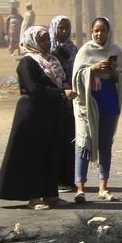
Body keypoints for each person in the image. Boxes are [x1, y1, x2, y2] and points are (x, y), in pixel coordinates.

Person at [0, 26, 78, 209]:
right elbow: (33, 89)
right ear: (32, 42)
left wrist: (64, 86)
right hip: (33, 114)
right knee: (34, 155)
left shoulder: (52, 61)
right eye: (42, 40)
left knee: (52, 153)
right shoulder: (28, 62)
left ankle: (50, 194)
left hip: (53, 114)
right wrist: (61, 94)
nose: (47, 43)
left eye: (48, 39)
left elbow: (57, 82)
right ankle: (33, 197)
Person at [72, 16, 122, 203]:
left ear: (108, 32)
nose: (99, 34)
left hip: (109, 103)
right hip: (88, 105)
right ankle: (80, 188)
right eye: (96, 30)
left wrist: (113, 70)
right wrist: (93, 68)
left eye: (103, 30)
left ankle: (103, 188)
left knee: (105, 146)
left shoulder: (115, 50)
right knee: (84, 143)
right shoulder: (85, 51)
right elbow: (76, 76)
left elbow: (121, 78)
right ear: (92, 32)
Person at [49, 15, 78, 192]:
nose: (64, 31)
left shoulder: (74, 49)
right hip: (54, 100)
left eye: (67, 27)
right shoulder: (48, 50)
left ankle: (68, 179)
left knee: (69, 139)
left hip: (70, 100)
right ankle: (54, 179)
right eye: (60, 28)